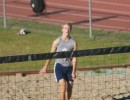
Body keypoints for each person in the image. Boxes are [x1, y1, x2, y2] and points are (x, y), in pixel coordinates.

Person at [39, 23, 77, 100]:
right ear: (62, 30)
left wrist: (73, 71)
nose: (67, 30)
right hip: (59, 66)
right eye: (65, 28)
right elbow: (50, 55)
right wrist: (45, 67)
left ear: (71, 30)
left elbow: (74, 57)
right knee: (63, 84)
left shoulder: (73, 43)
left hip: (69, 67)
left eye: (69, 28)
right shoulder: (57, 42)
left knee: (70, 85)